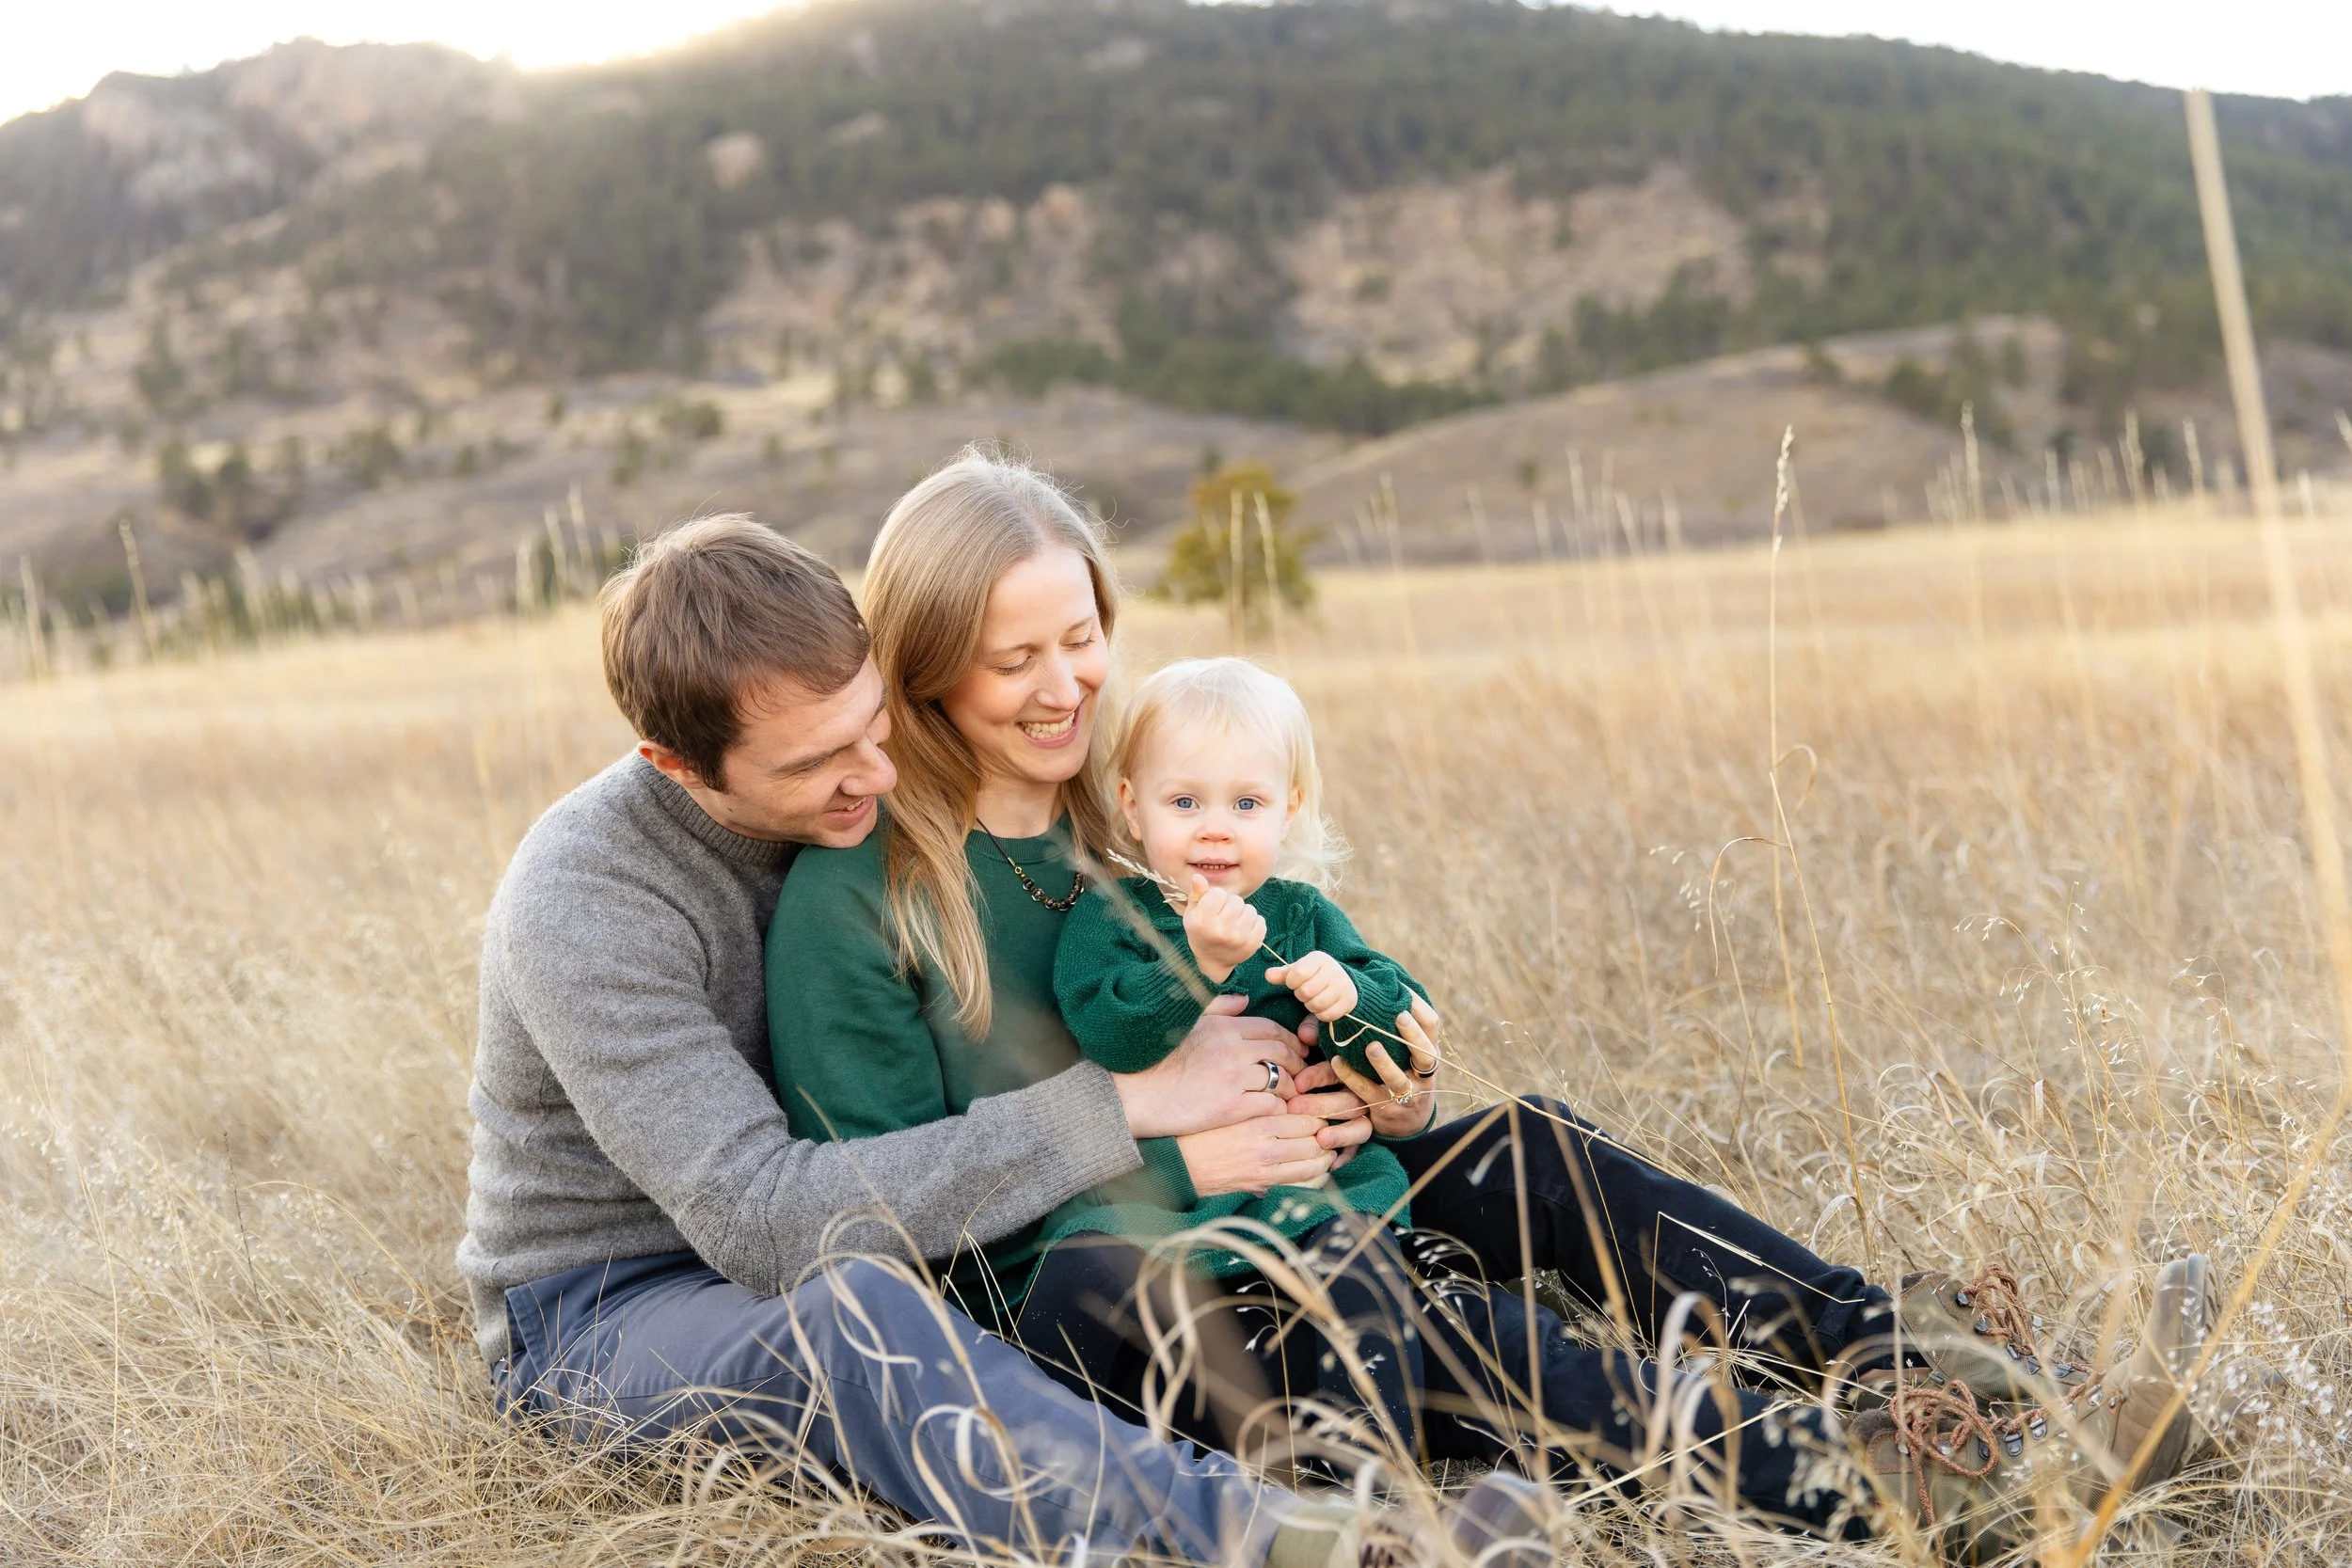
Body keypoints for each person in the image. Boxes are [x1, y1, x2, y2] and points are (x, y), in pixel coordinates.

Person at [758, 450, 2230, 1561]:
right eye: (1014, 659)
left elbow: (1289, 982)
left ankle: (1943, 1364)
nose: (1063, 682)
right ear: (930, 660)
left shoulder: (1129, 803)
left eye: (1079, 635)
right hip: (1089, 1303)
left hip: (1287, 1189)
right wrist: (1171, 1156)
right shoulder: (864, 893)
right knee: (1413, 1304)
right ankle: (1888, 1482)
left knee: (1520, 1145)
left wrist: (1379, 1078)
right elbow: (875, 1224)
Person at [455, 511, 1549, 1568]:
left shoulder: (897, 807)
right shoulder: (588, 899)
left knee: (1503, 1159)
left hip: (872, 1216)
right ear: (675, 762)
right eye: (817, 764)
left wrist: (1368, 1071)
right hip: (613, 1304)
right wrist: (1127, 1109)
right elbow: (763, 1219)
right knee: (865, 1313)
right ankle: (1301, 1540)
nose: (877, 779)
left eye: (872, 726)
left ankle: (1694, 1412)